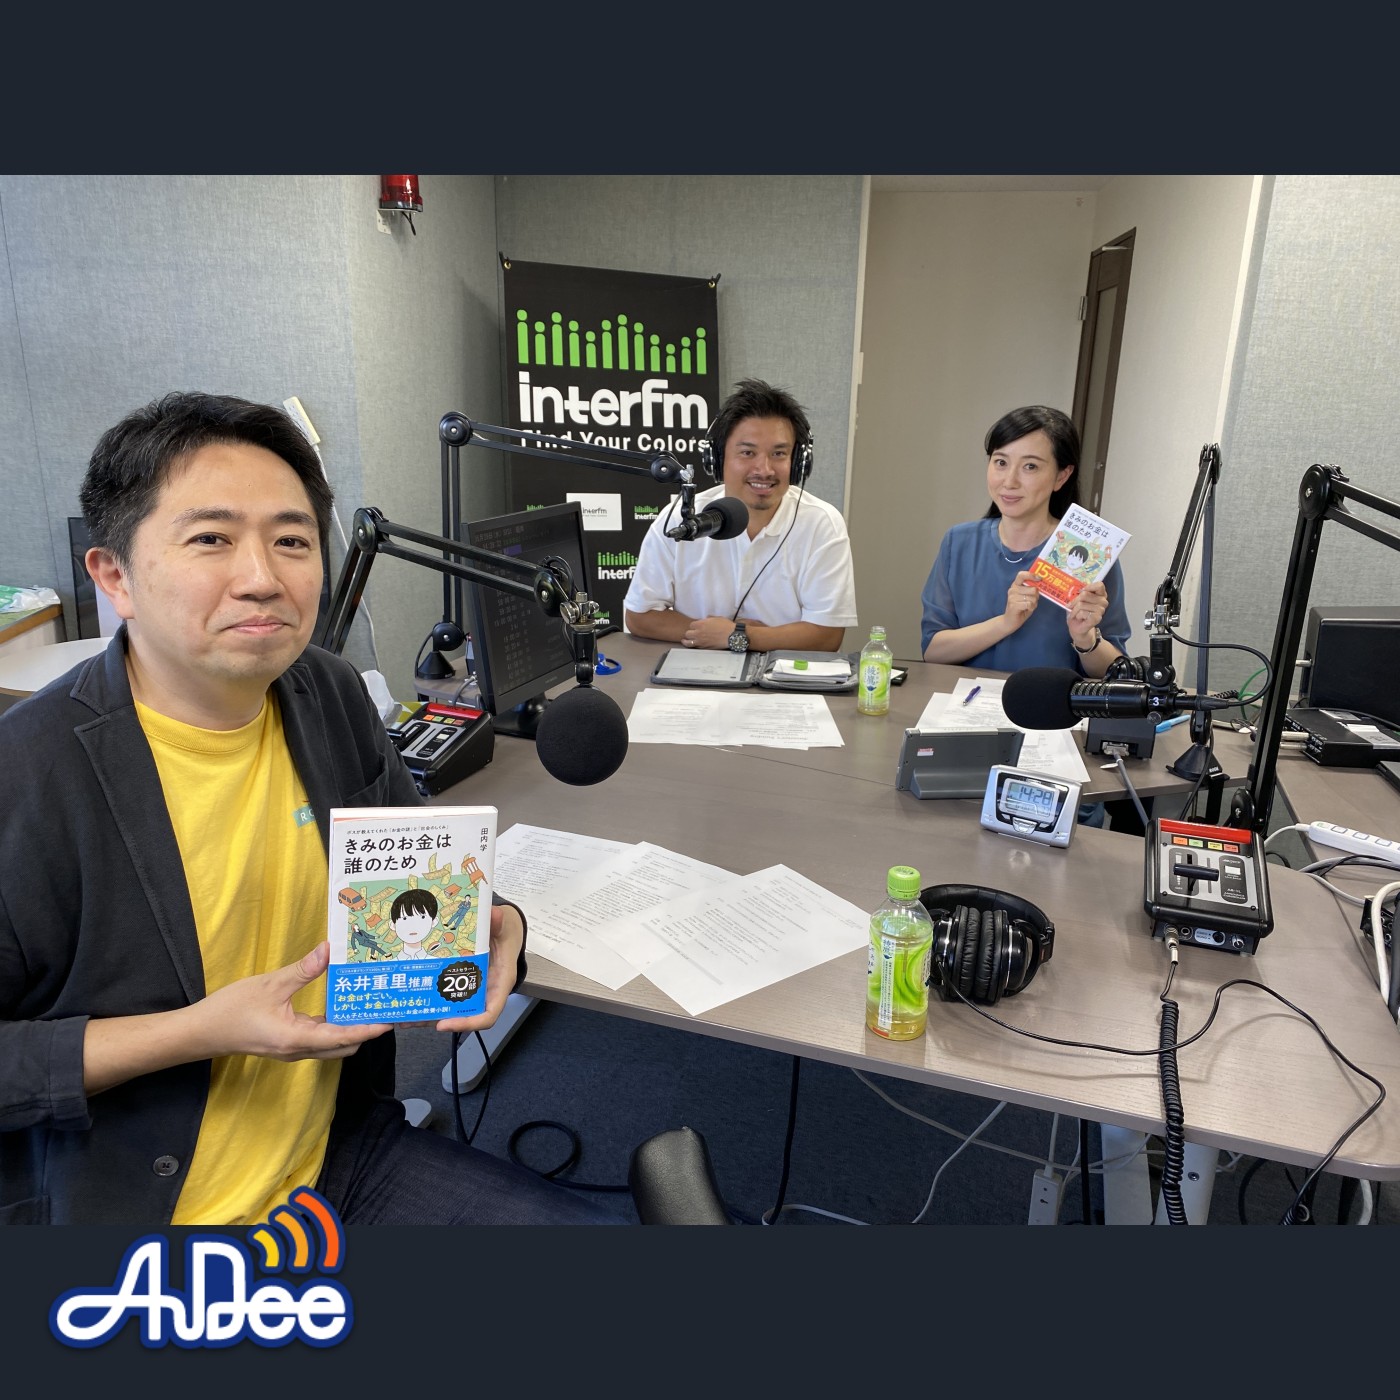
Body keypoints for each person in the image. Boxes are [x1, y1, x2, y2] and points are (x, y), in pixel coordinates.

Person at [0, 391, 621, 1227]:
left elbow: (414, 858)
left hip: (334, 1154)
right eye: (212, 539)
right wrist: (198, 1031)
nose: (263, 578)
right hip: (151, 1209)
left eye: (291, 541)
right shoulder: (26, 775)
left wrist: (495, 917)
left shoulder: (326, 691)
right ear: (115, 577)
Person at [624, 378, 857, 653]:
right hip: (697, 671)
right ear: (717, 458)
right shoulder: (682, 519)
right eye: (747, 452)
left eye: (779, 453)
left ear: (797, 463)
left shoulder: (822, 524)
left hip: (783, 676)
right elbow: (640, 616)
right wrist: (711, 633)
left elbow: (827, 635)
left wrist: (737, 636)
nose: (764, 469)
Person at [920, 405, 1130, 677]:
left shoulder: (1091, 553)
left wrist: (1085, 638)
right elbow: (933, 651)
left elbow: (1115, 672)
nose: (1010, 481)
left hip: (1052, 702)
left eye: (1030, 466)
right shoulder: (959, 542)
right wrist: (1006, 623)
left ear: (1061, 476)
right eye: (1001, 462)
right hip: (967, 700)